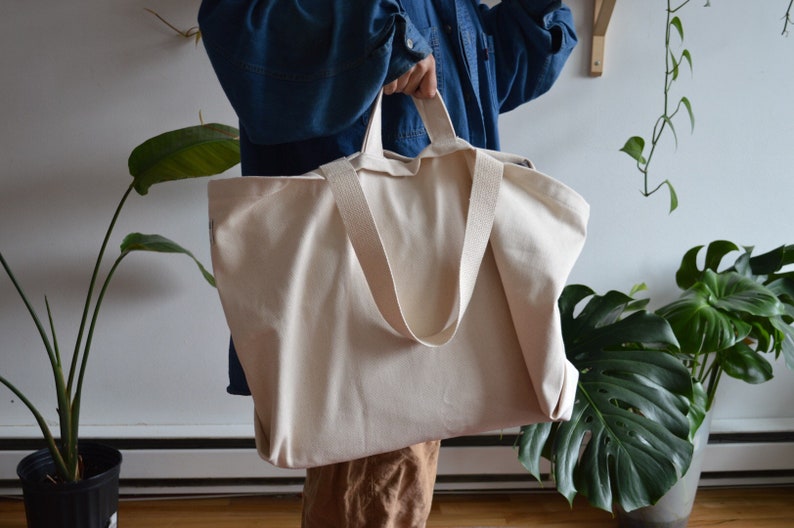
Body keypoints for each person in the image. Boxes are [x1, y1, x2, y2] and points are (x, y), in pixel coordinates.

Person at [197, 1, 577, 526]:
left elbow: (487, 77)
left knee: (397, 485)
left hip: (434, 258)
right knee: (372, 494)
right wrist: (383, 43)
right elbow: (240, 24)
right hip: (360, 272)